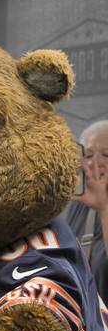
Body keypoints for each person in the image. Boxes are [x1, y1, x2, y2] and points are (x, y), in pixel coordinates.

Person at [65, 120, 108, 301]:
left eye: (106, 154)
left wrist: (104, 209)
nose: (95, 163)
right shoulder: (79, 204)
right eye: (88, 155)